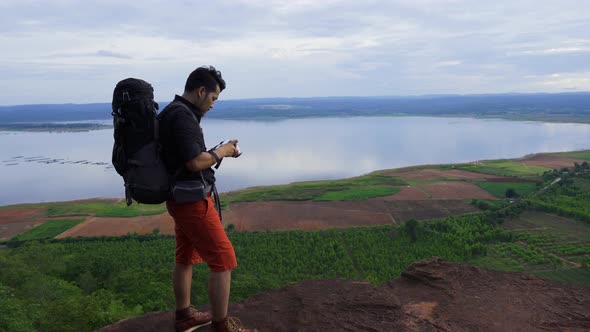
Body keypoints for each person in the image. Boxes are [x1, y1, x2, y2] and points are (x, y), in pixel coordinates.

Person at [159, 66, 257, 332]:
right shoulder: (182, 117)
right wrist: (223, 151)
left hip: (180, 198)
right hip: (191, 202)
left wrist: (216, 152)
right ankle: (221, 326)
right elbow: (193, 162)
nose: (213, 104)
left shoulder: (174, 112)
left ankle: (184, 316)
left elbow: (189, 156)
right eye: (213, 98)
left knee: (185, 256)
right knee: (224, 259)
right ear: (201, 91)